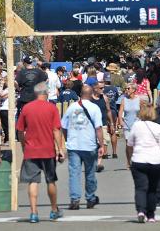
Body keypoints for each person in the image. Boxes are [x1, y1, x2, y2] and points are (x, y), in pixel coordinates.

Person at [16, 83, 66, 223]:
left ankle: (33, 212)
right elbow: (56, 130)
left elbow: (20, 130)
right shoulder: (52, 108)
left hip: (31, 150)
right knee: (51, 180)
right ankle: (54, 210)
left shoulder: (27, 108)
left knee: (32, 181)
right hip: (48, 150)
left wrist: (23, 145)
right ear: (46, 93)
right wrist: (60, 148)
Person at [126, 102, 160, 223]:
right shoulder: (158, 128)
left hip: (139, 159)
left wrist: (129, 159)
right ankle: (151, 215)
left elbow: (129, 145)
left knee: (140, 187)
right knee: (152, 189)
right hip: (156, 161)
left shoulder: (136, 126)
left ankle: (140, 211)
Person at [61, 84, 105, 210]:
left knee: (74, 173)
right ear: (91, 94)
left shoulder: (72, 107)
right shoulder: (94, 108)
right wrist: (101, 144)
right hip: (89, 144)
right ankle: (90, 197)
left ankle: (75, 200)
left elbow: (63, 126)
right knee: (90, 173)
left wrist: (67, 137)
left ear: (80, 94)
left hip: (74, 144)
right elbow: (98, 128)